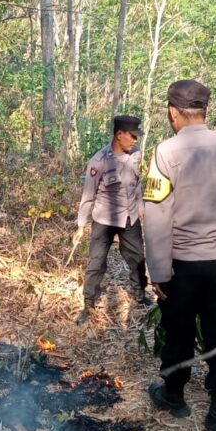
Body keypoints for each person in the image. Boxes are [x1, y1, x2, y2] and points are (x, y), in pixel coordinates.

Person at [143, 80, 216, 431]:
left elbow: (156, 213)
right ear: (206, 109)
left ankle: (174, 396)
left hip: (183, 263)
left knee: (179, 330)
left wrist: (157, 270)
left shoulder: (166, 151)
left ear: (173, 112)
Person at [73, 114, 150, 324]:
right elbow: (88, 195)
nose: (135, 140)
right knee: (96, 263)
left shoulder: (135, 154)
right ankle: (89, 304)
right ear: (119, 135)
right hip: (104, 219)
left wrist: (141, 207)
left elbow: (137, 183)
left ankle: (139, 294)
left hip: (130, 217)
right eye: (132, 136)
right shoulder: (99, 161)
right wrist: (81, 225)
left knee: (138, 258)